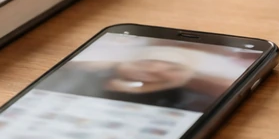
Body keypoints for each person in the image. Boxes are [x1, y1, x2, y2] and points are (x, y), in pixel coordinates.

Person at [38, 56, 232, 111]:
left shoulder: (194, 101)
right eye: (147, 61)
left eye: (174, 69)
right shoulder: (78, 74)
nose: (156, 69)